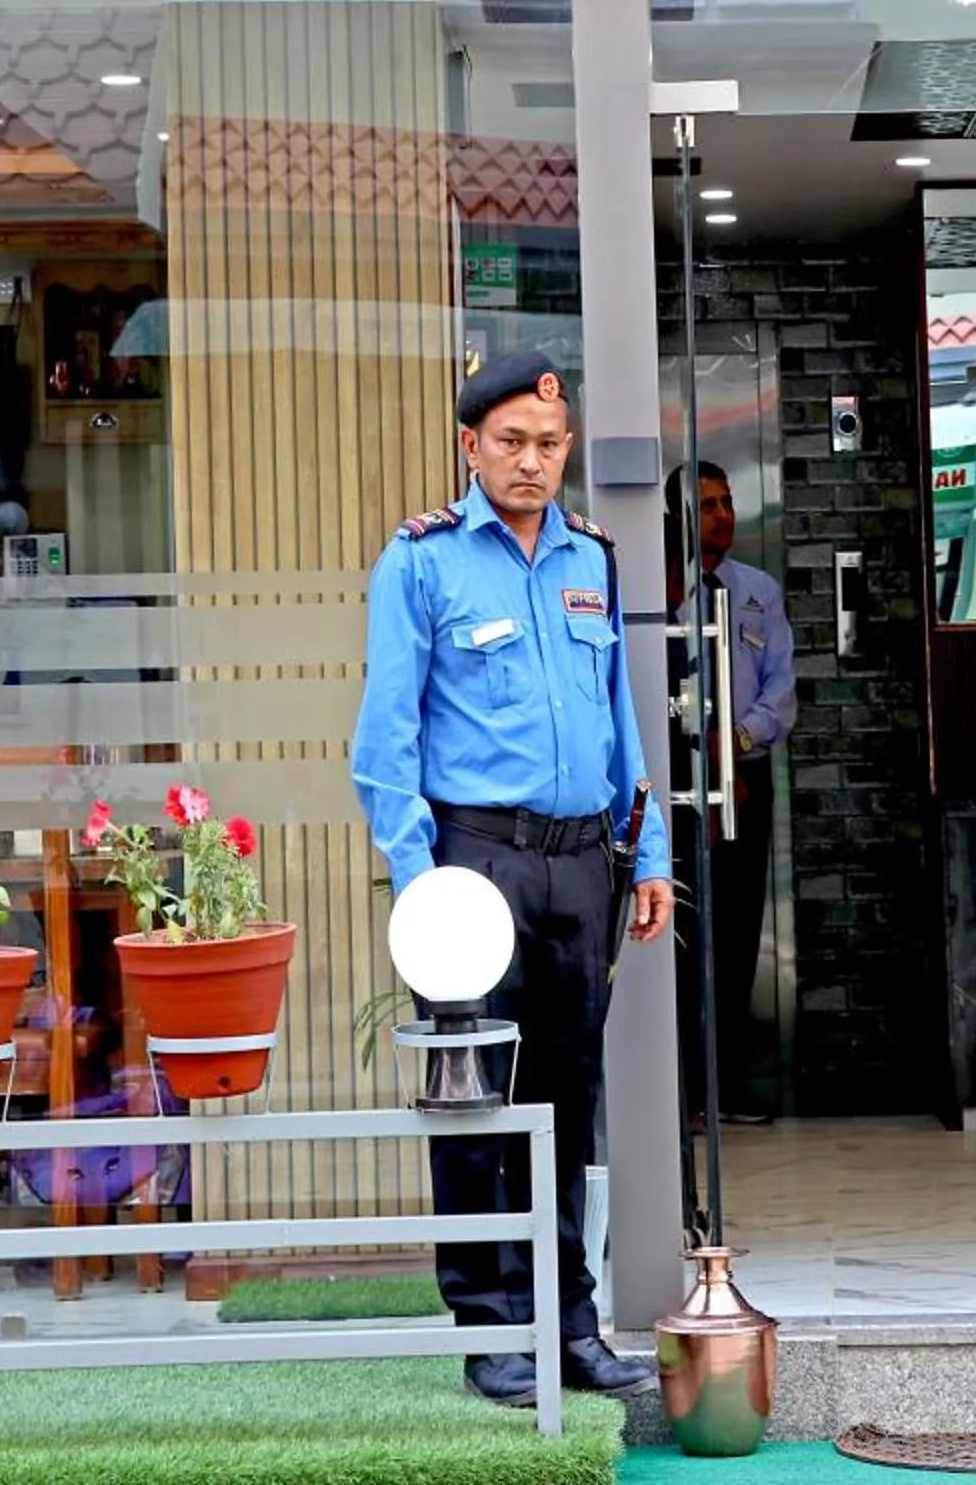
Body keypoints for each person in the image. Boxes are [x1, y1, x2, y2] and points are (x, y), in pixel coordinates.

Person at [350, 349, 672, 1409]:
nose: (530, 462)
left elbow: (621, 719)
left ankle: (569, 1322)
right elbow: (384, 744)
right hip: (472, 866)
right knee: (474, 1101)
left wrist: (647, 852)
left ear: (567, 447)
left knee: (566, 1100)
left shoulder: (593, 558)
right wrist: (421, 884)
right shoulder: (422, 563)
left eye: (548, 444)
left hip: (580, 862)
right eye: (510, 443)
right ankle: (491, 1329)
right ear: (470, 447)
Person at [664, 461, 795, 1124]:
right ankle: (683, 1091)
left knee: (739, 933)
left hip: (742, 777)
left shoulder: (757, 592)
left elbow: (781, 691)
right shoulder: (662, 593)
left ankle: (729, 1085)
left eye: (726, 502)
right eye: (707, 505)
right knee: (684, 936)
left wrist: (736, 741)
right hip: (678, 781)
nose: (722, 516)